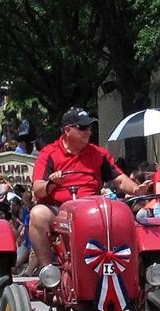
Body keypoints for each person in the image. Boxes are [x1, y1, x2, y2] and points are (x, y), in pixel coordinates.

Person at [28, 107, 148, 272]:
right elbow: (38, 190)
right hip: (59, 209)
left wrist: (136, 190)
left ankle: (133, 270)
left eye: (90, 127)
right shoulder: (49, 154)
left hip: (92, 208)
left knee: (123, 214)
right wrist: (52, 183)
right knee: (37, 214)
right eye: (83, 128)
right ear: (67, 130)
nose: (89, 131)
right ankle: (48, 271)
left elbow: (119, 179)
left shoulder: (98, 154)